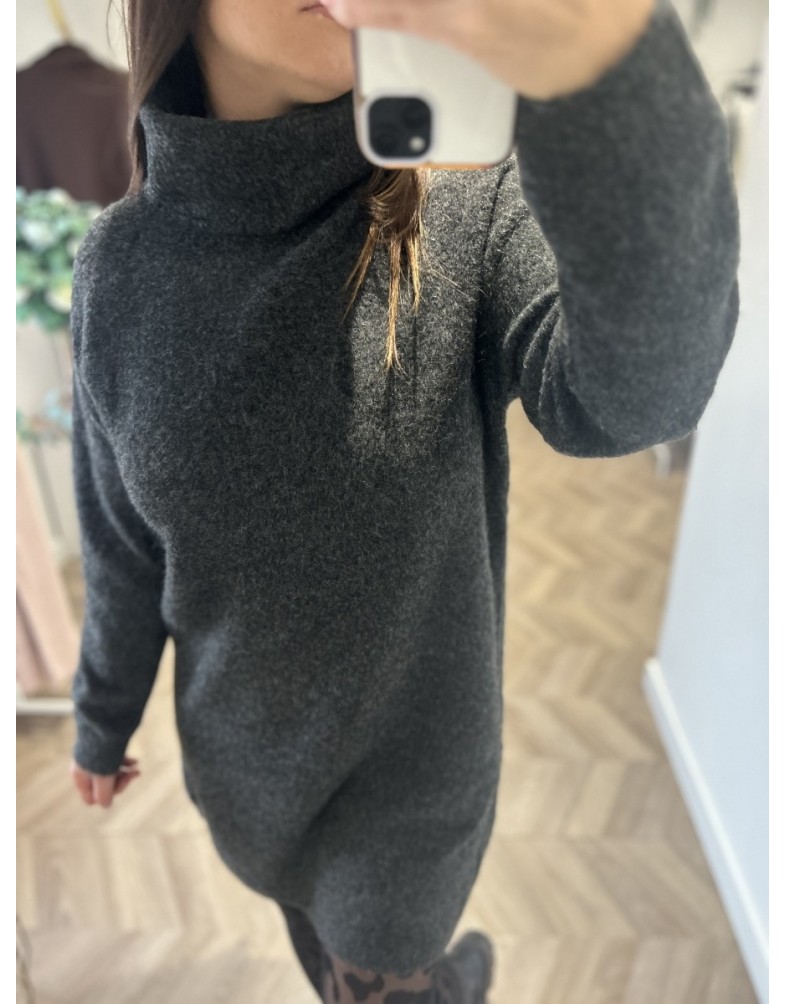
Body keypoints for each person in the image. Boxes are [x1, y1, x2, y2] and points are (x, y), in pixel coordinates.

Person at [67, 0, 741, 1001]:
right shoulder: (117, 269)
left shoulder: (464, 201)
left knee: (377, 965)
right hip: (245, 768)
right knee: (315, 939)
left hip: (409, 799)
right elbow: (123, 543)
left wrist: (611, 72)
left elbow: (634, 398)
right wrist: (102, 713)